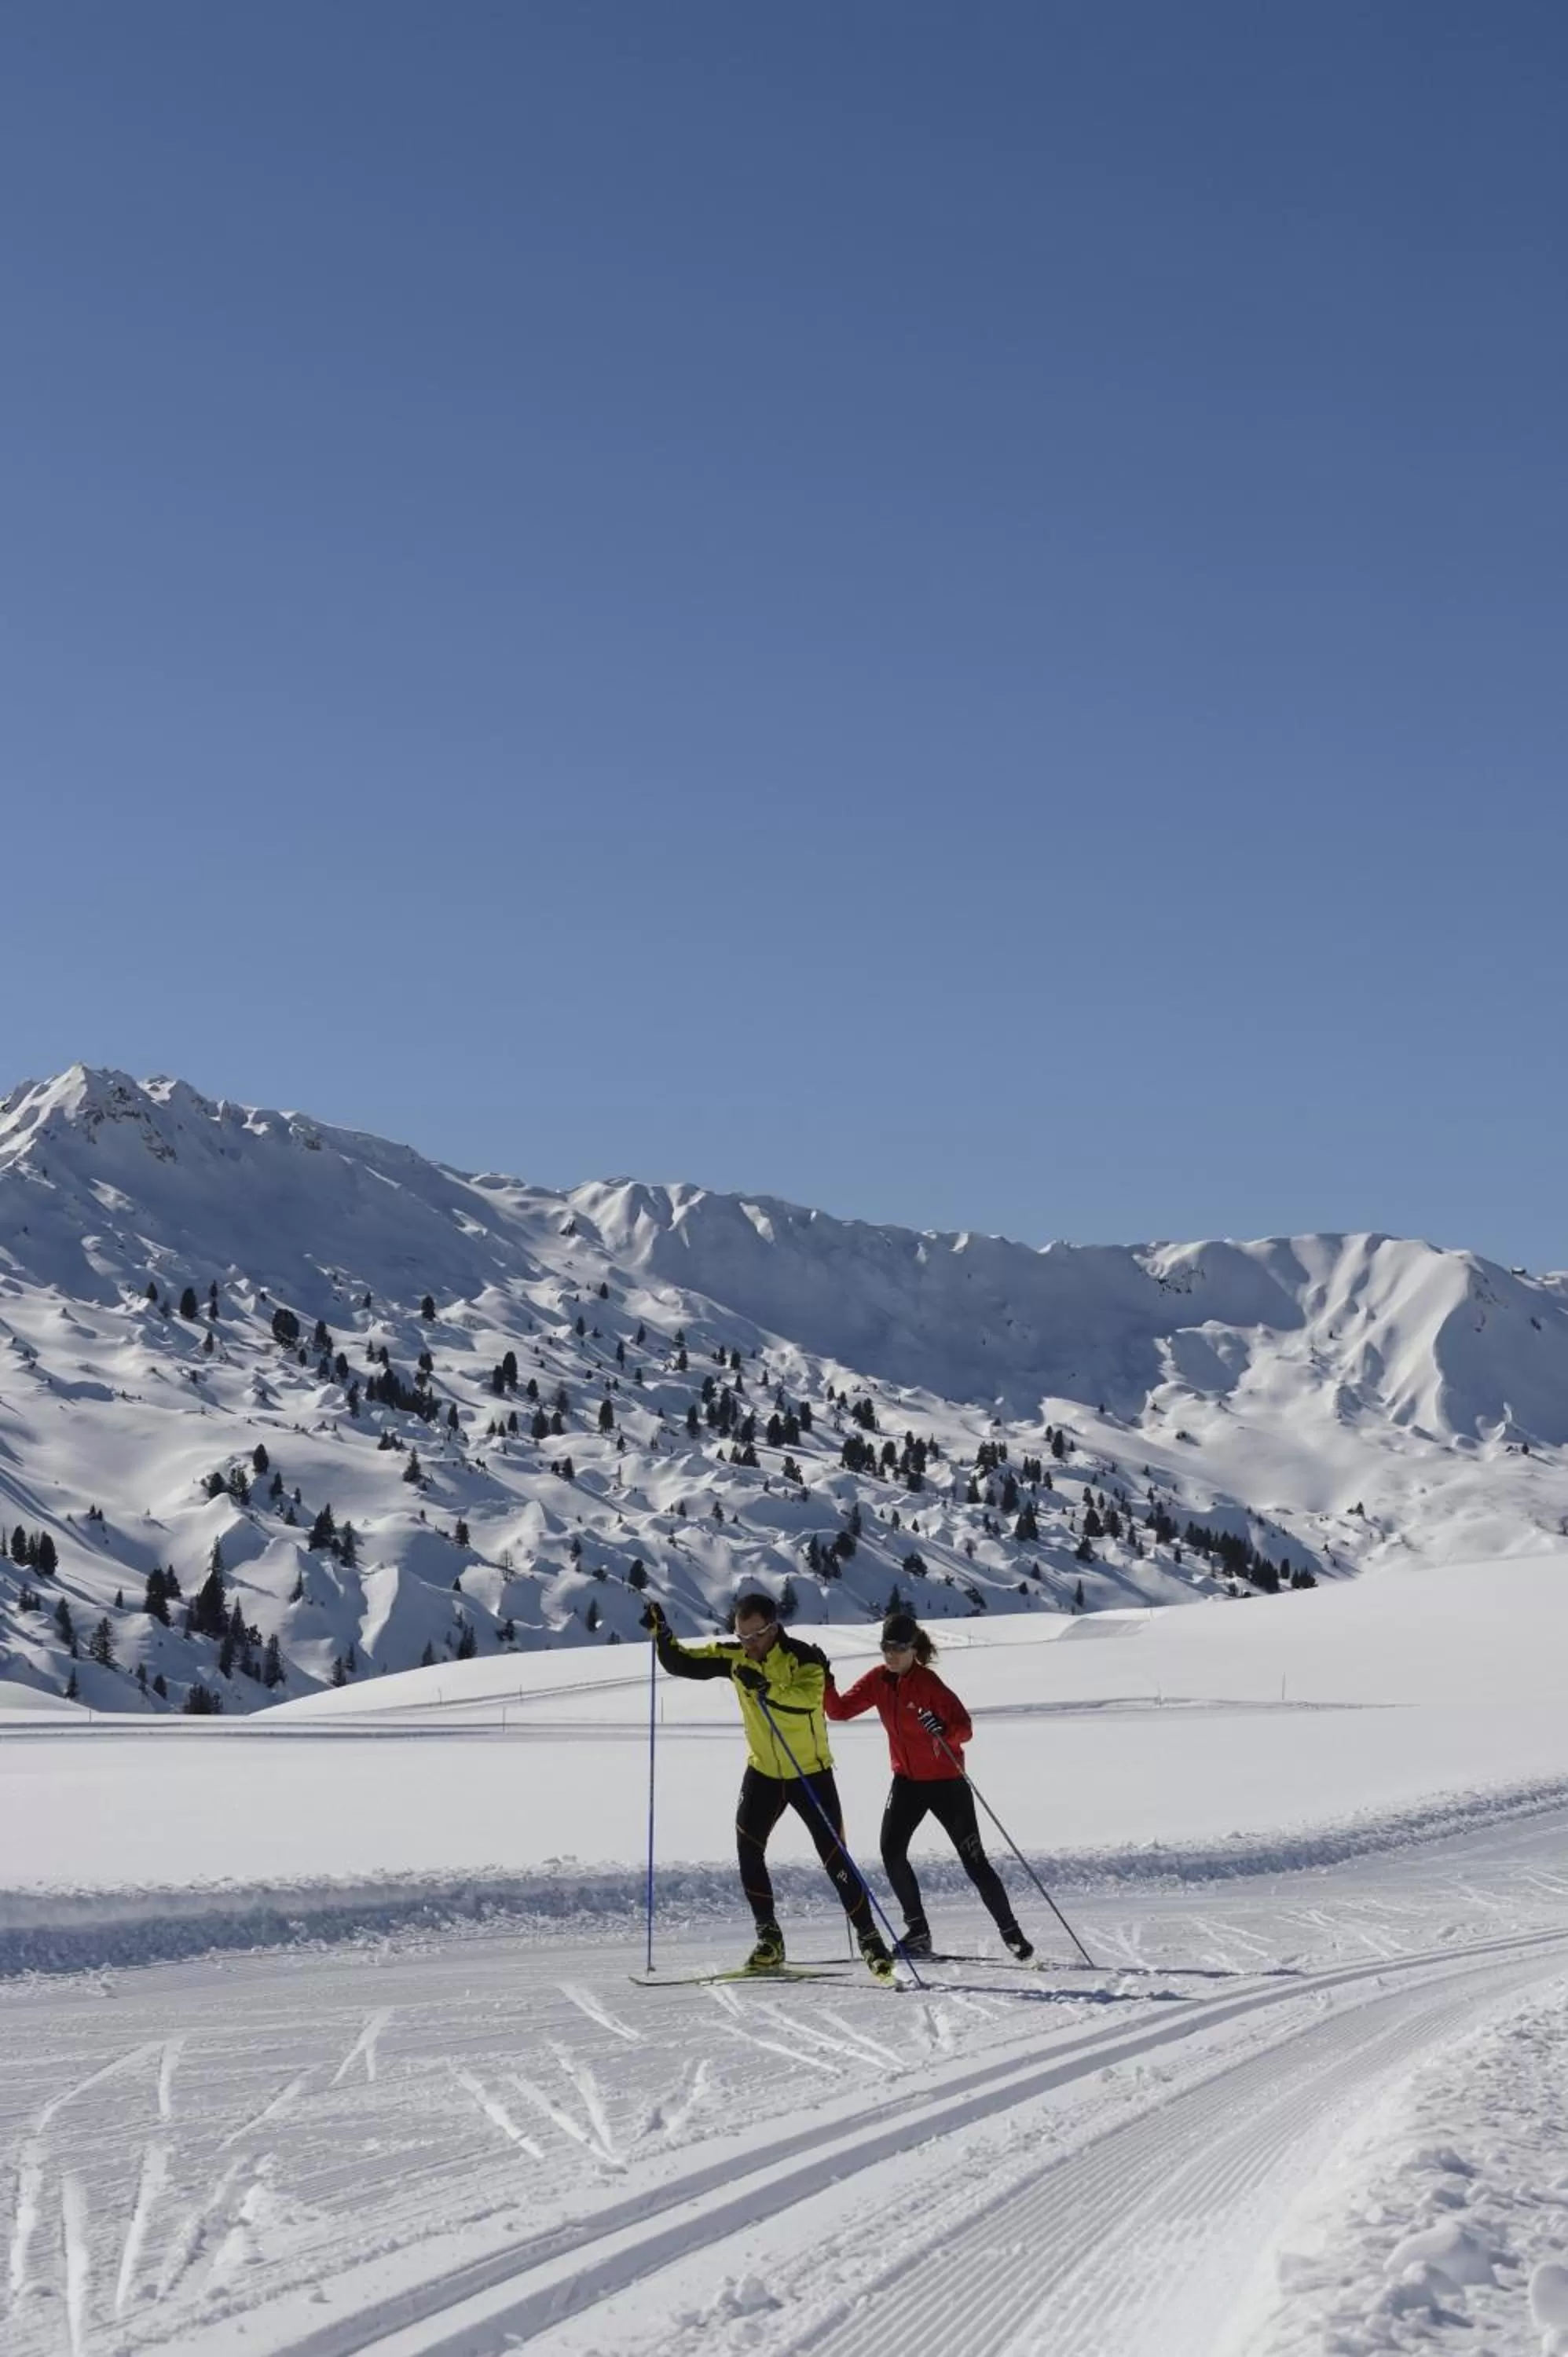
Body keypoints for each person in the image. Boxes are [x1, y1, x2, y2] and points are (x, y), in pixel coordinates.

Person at [644, 1593, 896, 1981]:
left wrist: (765, 1688)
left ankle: (870, 1938)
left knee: (834, 1857)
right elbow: (683, 1663)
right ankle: (769, 1939)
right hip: (763, 1773)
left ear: (774, 1627)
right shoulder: (737, 1658)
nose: (749, 1644)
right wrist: (662, 1635)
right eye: (742, 1636)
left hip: (810, 1772)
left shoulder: (805, 1658)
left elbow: (806, 1700)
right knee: (748, 1848)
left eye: (757, 1635)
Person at [825, 1610, 1034, 1961]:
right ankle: (918, 1932)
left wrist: (942, 1728)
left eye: (899, 1648)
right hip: (906, 1782)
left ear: (913, 1649)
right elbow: (840, 1711)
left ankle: (1011, 1931)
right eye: (885, 1647)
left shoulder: (929, 1685)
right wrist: (825, 1681)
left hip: (947, 1784)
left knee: (974, 1861)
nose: (891, 1655)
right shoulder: (879, 1680)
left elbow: (965, 1728)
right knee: (891, 1852)